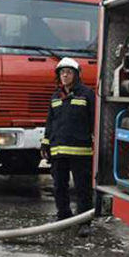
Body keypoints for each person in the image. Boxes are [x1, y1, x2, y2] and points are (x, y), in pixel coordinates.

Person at [41, 57, 95, 238]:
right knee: (59, 187)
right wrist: (45, 142)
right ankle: (63, 216)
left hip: (81, 152)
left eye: (69, 72)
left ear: (77, 75)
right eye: (62, 73)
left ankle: (84, 223)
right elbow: (50, 122)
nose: (65, 75)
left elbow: (95, 121)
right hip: (58, 151)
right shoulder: (55, 97)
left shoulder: (87, 94)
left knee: (82, 188)